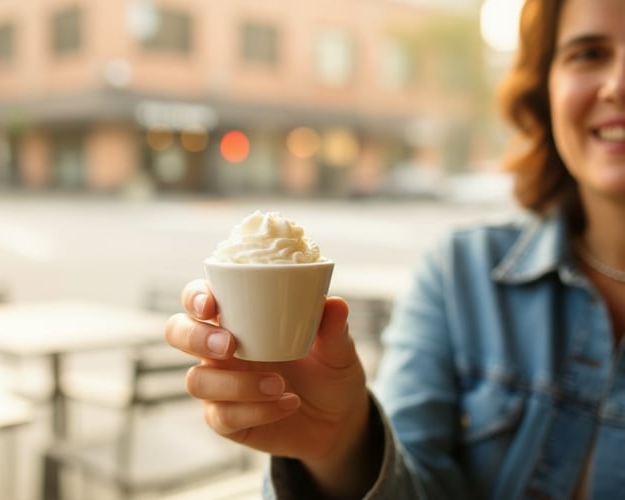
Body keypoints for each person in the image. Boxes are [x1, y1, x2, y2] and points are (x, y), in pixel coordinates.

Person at [163, 0, 625, 497]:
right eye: (589, 52)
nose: (617, 85)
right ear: (545, 88)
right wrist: (339, 444)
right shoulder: (459, 276)